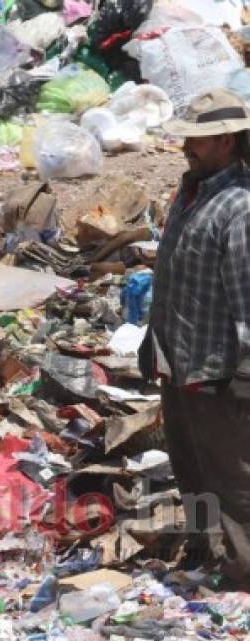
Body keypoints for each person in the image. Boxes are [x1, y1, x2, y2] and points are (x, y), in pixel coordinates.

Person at [141, 88, 250, 582]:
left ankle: (242, 575)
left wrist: (244, 376)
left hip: (219, 376)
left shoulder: (238, 208)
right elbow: (174, 279)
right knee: (194, 476)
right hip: (178, 366)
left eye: (199, 140)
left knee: (232, 483)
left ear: (227, 141)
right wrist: (153, 344)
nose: (188, 146)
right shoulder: (191, 193)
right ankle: (209, 557)